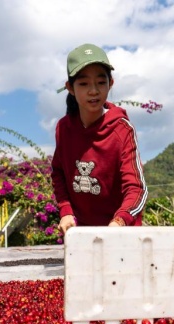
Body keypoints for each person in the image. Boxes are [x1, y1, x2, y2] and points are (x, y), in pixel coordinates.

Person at [51, 43, 148, 234]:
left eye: (101, 82)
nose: (94, 91)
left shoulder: (122, 129)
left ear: (110, 84)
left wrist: (119, 222)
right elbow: (58, 172)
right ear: (70, 87)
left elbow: (137, 188)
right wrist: (65, 211)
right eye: (84, 83)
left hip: (122, 234)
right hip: (83, 235)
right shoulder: (63, 128)